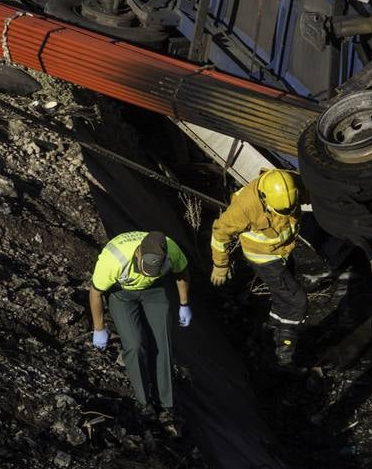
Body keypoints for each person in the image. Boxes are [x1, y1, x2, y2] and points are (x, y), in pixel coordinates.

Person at [88, 230, 191, 418]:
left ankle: (166, 403)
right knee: (135, 345)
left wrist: (184, 304)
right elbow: (95, 293)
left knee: (163, 343)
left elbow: (181, 271)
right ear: (138, 254)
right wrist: (99, 327)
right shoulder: (113, 260)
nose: (148, 272)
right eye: (145, 268)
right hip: (122, 294)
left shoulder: (171, 250)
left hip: (154, 291)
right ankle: (144, 402)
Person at [209, 168, 308, 364]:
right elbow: (220, 234)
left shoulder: (291, 184)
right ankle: (284, 354)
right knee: (297, 302)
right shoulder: (245, 206)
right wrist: (220, 265)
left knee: (283, 299)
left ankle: (271, 331)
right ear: (264, 198)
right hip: (263, 257)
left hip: (284, 251)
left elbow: (316, 195)